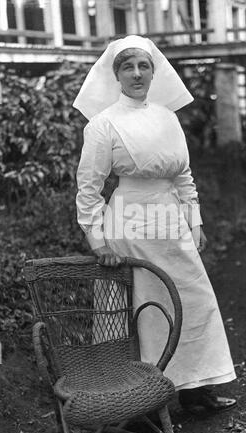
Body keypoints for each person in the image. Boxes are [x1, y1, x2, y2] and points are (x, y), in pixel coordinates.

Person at [73, 35, 236, 413]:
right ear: (116, 75)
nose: (136, 73)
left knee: (194, 302)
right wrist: (99, 242)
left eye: (143, 66)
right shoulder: (103, 124)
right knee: (143, 309)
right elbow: (88, 188)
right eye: (127, 66)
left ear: (153, 71)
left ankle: (197, 390)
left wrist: (194, 223)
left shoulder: (167, 117)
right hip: (129, 225)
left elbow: (184, 177)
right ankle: (136, 404)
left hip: (171, 223)